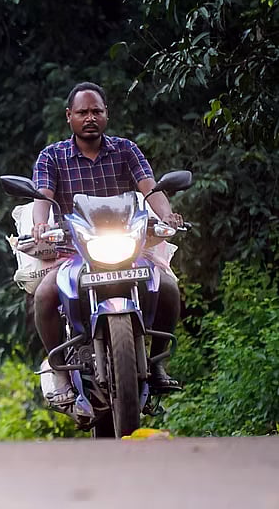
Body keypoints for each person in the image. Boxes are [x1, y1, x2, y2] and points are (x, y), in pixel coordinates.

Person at [31, 81, 184, 407]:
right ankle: (59, 370)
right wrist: (41, 225)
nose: (90, 117)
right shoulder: (52, 156)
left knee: (169, 287)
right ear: (69, 116)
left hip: (128, 247)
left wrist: (167, 215)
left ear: (106, 115)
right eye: (83, 112)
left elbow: (151, 189)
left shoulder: (126, 150)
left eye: (96, 111)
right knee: (44, 295)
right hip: (74, 251)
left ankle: (157, 364)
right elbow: (42, 196)